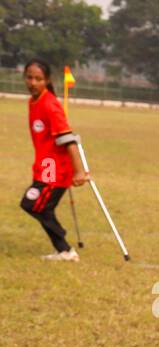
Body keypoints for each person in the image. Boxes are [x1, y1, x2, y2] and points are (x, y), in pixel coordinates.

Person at [19, 59, 88, 262]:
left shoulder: (50, 105)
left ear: (47, 80)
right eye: (29, 77)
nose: (32, 82)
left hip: (55, 169)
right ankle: (64, 250)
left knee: (33, 204)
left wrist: (79, 172)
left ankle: (65, 248)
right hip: (44, 167)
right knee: (38, 206)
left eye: (38, 79)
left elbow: (69, 140)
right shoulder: (34, 101)